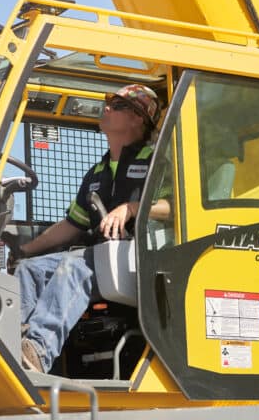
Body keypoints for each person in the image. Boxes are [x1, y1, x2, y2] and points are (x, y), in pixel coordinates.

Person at [11, 84, 169, 373]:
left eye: (118, 105)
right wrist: (21, 250)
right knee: (29, 270)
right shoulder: (97, 171)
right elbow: (73, 225)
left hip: (143, 262)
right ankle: (8, 348)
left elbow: (179, 206)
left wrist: (133, 208)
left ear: (138, 118)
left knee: (73, 267)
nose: (106, 107)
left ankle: (37, 351)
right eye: (109, 102)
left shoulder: (157, 161)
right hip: (104, 260)